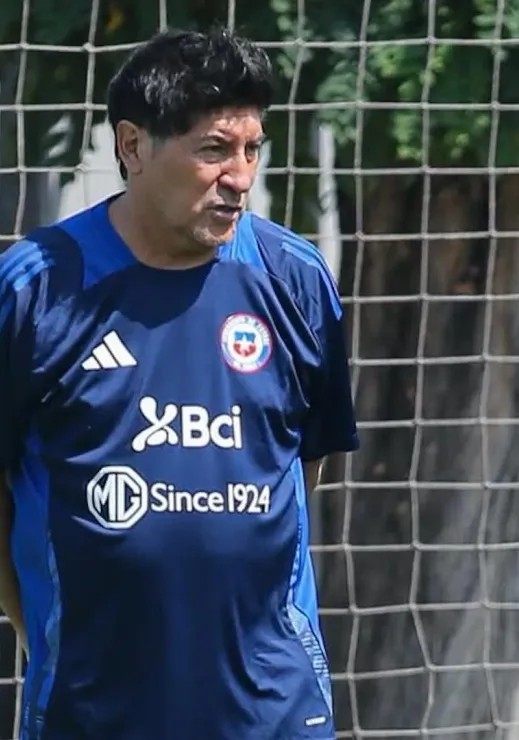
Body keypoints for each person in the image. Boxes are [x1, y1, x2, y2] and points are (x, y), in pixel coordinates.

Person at [0, 28, 358, 740]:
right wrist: (43, 627)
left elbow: (297, 467)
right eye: (214, 150)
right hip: (94, 707)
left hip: (274, 711)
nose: (241, 176)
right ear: (132, 147)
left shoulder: (295, 279)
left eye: (253, 149)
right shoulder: (35, 290)